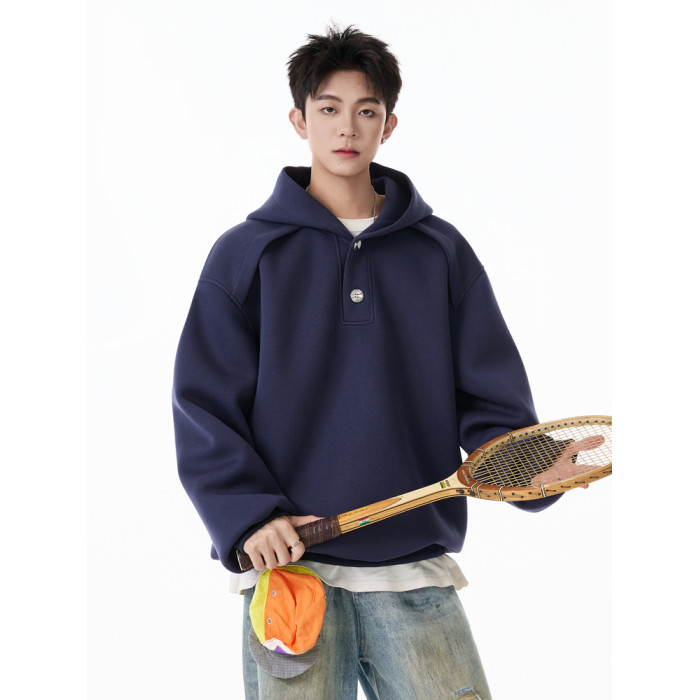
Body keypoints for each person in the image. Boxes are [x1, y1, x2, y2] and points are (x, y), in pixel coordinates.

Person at [172, 24, 566, 700]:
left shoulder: (440, 252)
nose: (347, 127)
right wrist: (248, 516)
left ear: (390, 124)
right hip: (291, 574)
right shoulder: (245, 255)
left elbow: (489, 397)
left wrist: (529, 467)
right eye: (328, 108)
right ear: (299, 120)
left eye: (366, 110)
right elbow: (203, 405)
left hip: (412, 567)